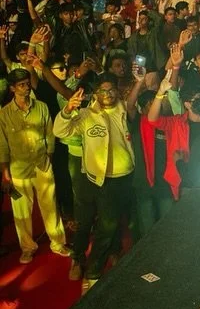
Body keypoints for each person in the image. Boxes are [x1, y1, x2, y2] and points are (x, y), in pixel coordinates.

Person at [53, 75, 136, 294]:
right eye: (103, 91)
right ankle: (83, 264)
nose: (107, 95)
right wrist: (68, 110)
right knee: (88, 223)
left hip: (121, 179)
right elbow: (60, 131)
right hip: (92, 179)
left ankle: (96, 269)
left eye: (111, 90)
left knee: (108, 226)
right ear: (96, 93)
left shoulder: (124, 109)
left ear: (117, 91)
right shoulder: (86, 115)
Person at [0, 69, 70, 264]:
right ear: (12, 88)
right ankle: (27, 247)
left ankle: (58, 243)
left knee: (51, 206)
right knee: (21, 212)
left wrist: (49, 157)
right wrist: (6, 175)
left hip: (42, 165)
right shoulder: (4, 114)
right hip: (18, 169)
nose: (26, 87)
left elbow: (50, 134)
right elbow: (3, 146)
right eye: (21, 85)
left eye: (27, 83)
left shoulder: (41, 107)